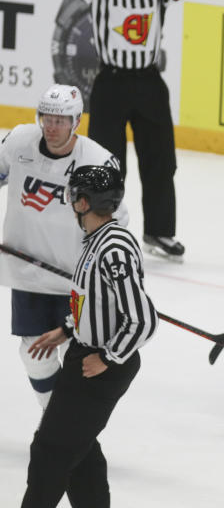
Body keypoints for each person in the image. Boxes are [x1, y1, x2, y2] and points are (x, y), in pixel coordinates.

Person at [23, 0, 224, 261]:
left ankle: (159, 232)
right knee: (104, 163)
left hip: (149, 84)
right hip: (110, 83)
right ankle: (100, 226)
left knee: (160, 160)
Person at [21, 164, 158, 507]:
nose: (70, 201)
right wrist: (67, 328)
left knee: (50, 450)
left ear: (83, 202)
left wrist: (107, 358)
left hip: (99, 364)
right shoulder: (97, 240)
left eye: (73, 195)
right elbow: (94, 299)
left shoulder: (113, 248)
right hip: (84, 354)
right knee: (80, 448)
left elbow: (142, 320)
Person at [0, 85, 127, 412]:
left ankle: (69, 429)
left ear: (76, 122)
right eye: (47, 118)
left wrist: (108, 270)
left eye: (60, 120)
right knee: (33, 354)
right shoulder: (18, 143)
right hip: (30, 275)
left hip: (78, 280)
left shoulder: (98, 161)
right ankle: (54, 422)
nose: (52, 127)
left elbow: (117, 224)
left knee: (80, 358)